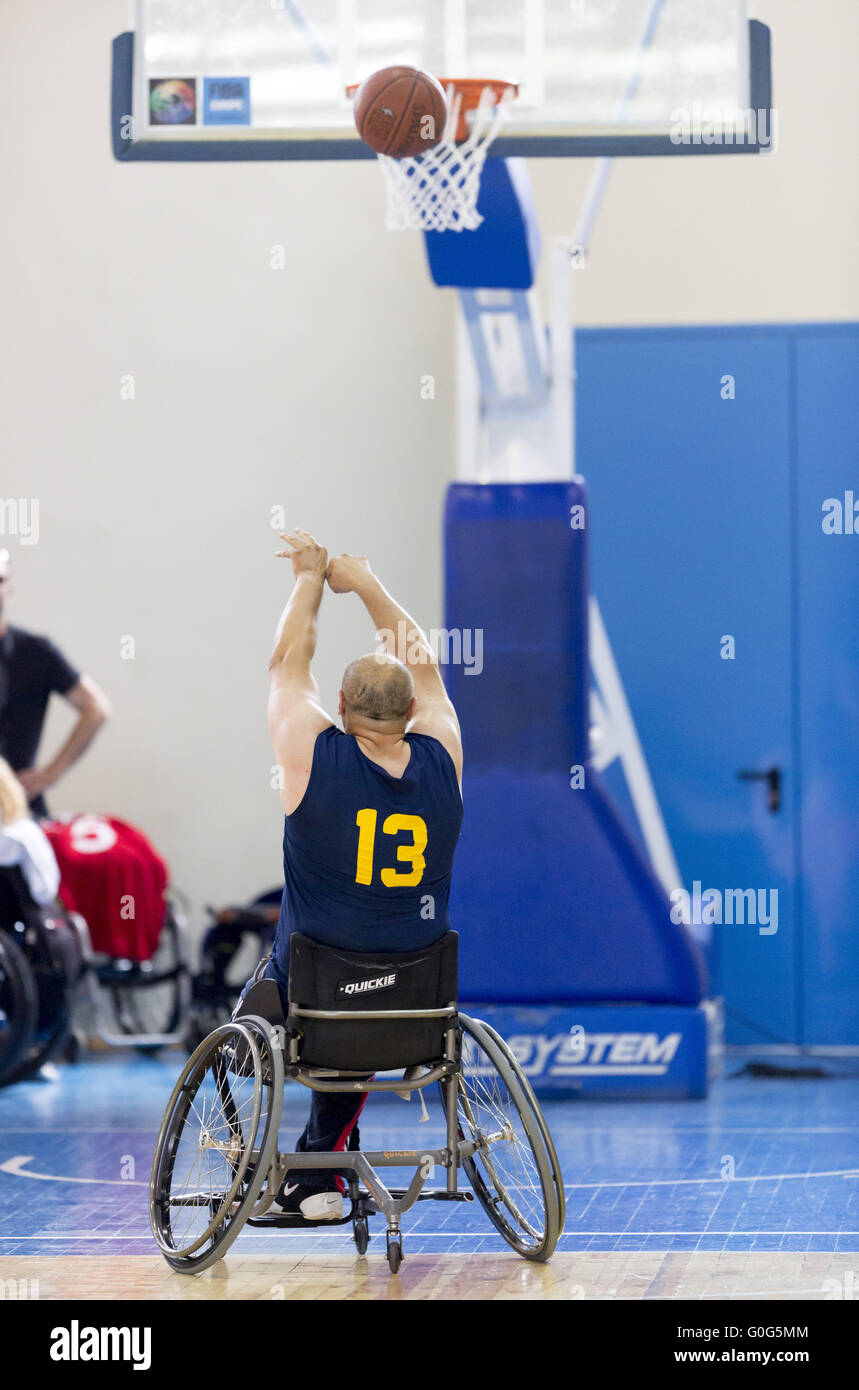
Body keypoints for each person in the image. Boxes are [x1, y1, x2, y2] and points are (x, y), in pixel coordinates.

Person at [263, 528, 463, 1220]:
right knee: (355, 969)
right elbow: (426, 667)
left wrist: (308, 581)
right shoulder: (442, 755)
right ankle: (325, 1161)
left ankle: (314, 1171)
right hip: (416, 999)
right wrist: (368, 585)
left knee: (294, 959)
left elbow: (286, 665)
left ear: (340, 711)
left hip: (318, 994)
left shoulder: (312, 752)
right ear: (411, 715)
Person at [0, 549, 111, 817]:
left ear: (8, 587)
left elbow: (95, 708)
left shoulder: (34, 652)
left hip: (16, 813)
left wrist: (51, 774)